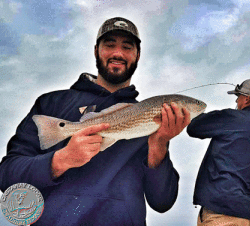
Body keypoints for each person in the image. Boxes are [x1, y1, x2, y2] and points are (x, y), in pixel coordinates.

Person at [0, 17, 191, 225]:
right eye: (110, 45)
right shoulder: (51, 103)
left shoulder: (151, 119)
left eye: (127, 47)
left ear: (137, 56)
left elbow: (162, 202)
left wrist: (158, 146)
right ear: (95, 51)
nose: (118, 53)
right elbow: (7, 176)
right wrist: (61, 160)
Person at [187, 79, 250, 226]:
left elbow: (194, 128)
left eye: (238, 96)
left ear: (247, 99)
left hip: (221, 214)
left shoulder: (233, 117)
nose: (236, 100)